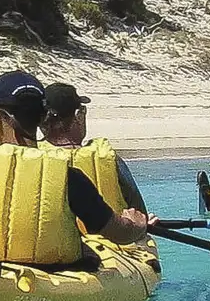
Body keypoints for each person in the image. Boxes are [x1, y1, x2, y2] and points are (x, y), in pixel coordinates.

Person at [0, 70, 156, 263]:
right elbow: (117, 233)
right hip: (52, 272)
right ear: (39, 118)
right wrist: (136, 224)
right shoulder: (69, 178)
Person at [38, 80, 149, 219]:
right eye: (83, 110)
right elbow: (140, 213)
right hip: (115, 238)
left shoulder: (33, 158)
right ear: (78, 116)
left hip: (59, 240)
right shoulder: (106, 157)